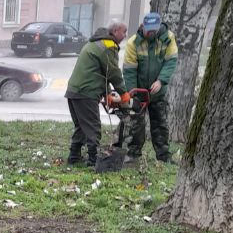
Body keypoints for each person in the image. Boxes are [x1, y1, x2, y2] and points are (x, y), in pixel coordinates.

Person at [64, 21, 128, 167]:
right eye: (124, 32)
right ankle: (93, 161)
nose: (125, 35)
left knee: (81, 125)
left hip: (74, 90)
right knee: (93, 126)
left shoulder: (95, 42)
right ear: (116, 30)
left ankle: (74, 156)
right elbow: (112, 72)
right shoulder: (108, 46)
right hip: (86, 92)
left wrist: (107, 93)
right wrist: (123, 94)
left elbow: (99, 73)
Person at [121, 12, 178, 164]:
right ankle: (133, 153)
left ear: (159, 27)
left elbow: (171, 62)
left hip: (157, 91)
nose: (150, 32)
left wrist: (161, 81)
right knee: (136, 124)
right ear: (143, 27)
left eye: (154, 29)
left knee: (160, 123)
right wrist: (133, 92)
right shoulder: (134, 43)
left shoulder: (168, 39)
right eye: (148, 29)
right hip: (139, 92)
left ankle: (163, 155)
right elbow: (129, 70)